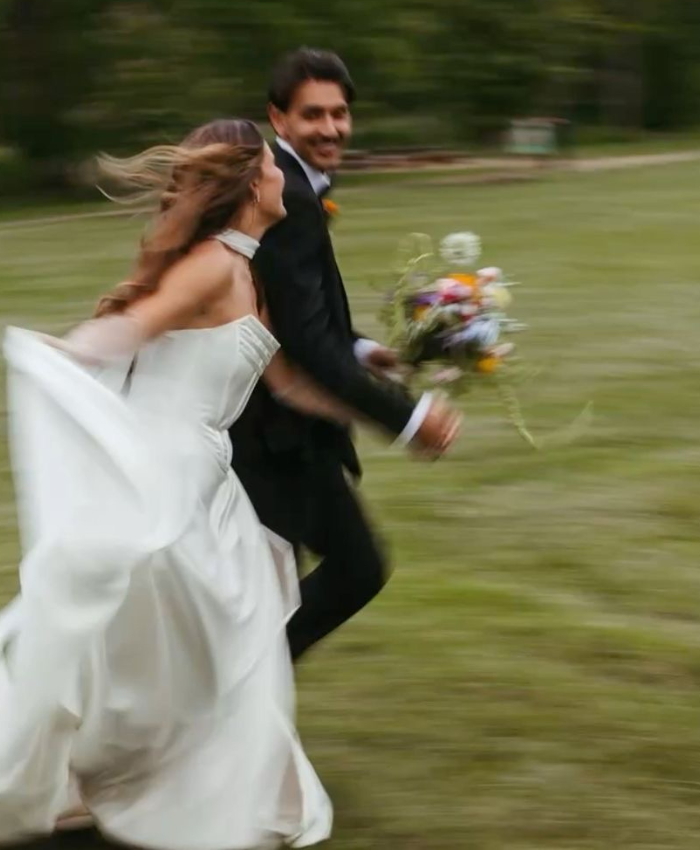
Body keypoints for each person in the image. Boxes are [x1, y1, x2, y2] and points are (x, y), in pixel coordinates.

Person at [0, 118, 344, 848]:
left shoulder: (248, 271)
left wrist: (385, 404)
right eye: (272, 165)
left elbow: (286, 381)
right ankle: (84, 774)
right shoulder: (213, 264)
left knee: (203, 637)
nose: (282, 176)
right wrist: (60, 354)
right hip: (162, 472)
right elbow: (132, 328)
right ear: (250, 183)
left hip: (208, 480)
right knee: (153, 630)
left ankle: (134, 772)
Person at [230, 48, 461, 660]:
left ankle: (243, 691)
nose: (331, 128)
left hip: (275, 429)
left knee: (272, 589)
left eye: (340, 113)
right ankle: (241, 690)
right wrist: (409, 419)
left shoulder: (292, 183)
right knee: (353, 569)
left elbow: (293, 311)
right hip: (274, 433)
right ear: (278, 118)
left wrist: (361, 348)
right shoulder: (288, 195)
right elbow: (306, 345)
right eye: (314, 114)